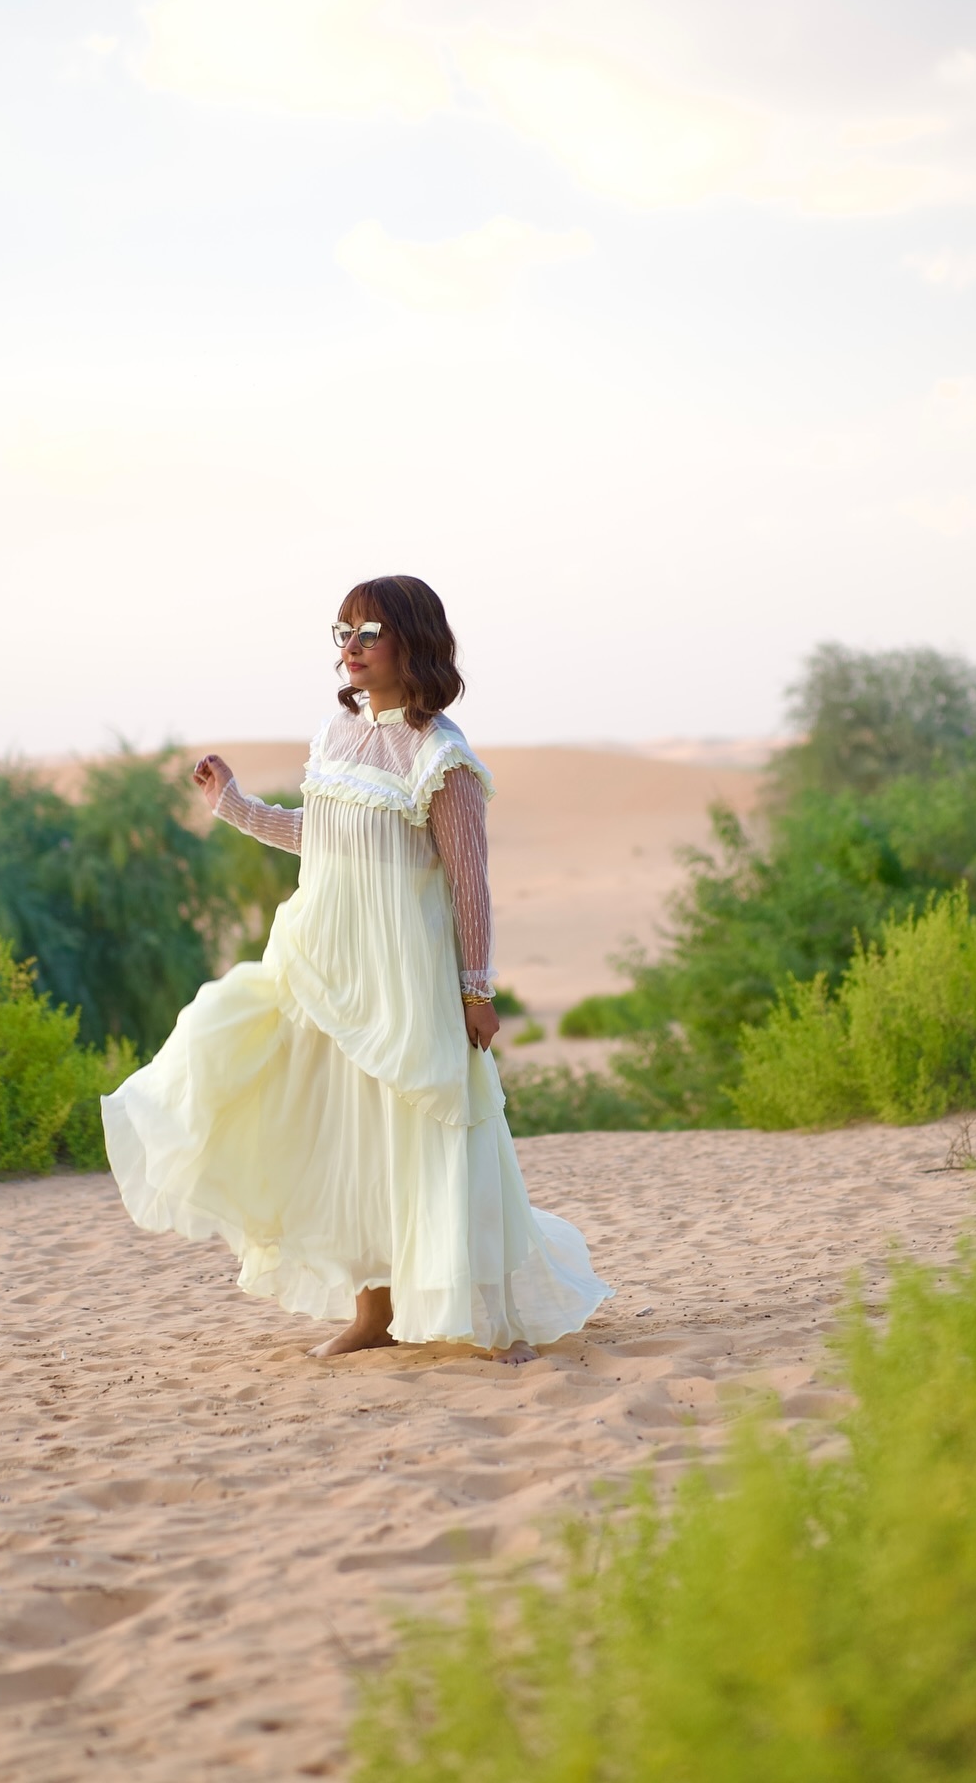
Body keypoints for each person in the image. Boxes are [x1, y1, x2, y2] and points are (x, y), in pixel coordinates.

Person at [101, 575, 611, 1364]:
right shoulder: (333, 737)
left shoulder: (443, 755)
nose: (352, 647)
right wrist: (233, 805)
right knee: (348, 1135)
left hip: (407, 976)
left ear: (415, 639)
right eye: (342, 631)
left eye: (370, 631)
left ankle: (484, 1319)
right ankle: (372, 1314)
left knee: (430, 1133)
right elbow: (326, 837)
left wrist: (476, 988)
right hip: (325, 962)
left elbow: (469, 880)